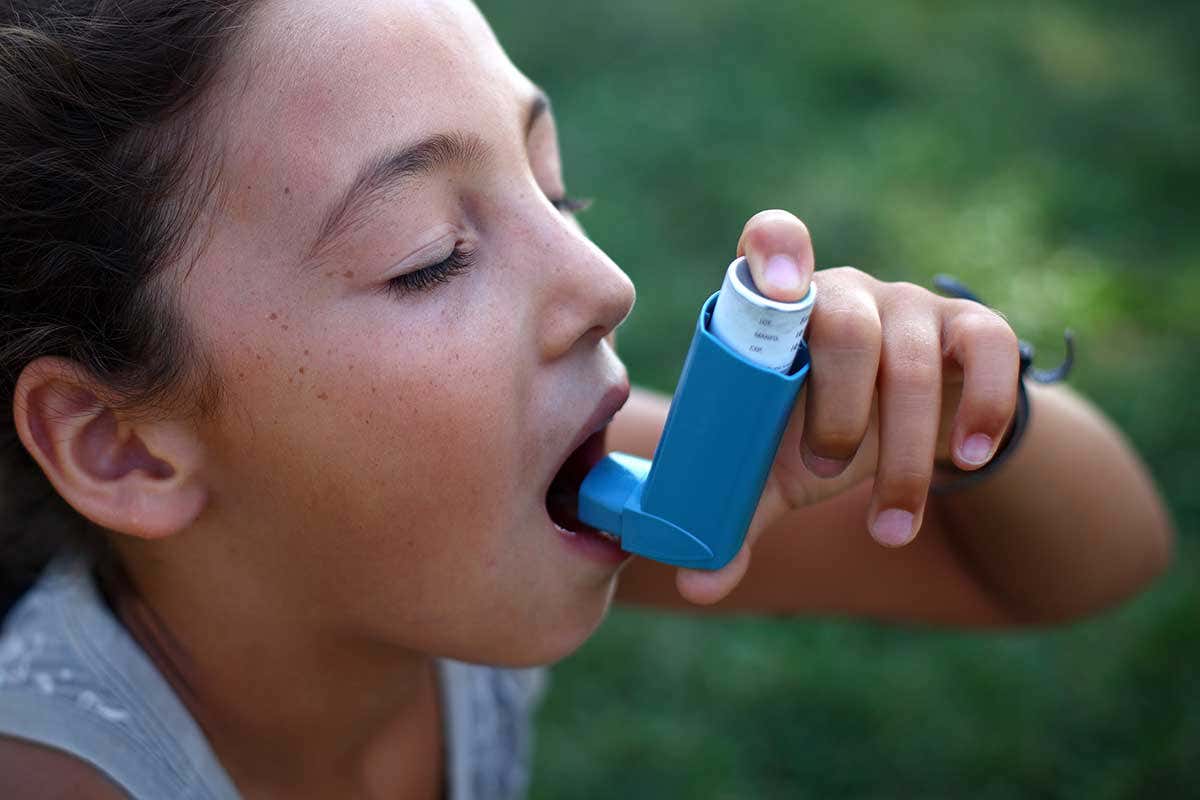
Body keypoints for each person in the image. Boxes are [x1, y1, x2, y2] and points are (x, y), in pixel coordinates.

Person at [0, 1, 1174, 798]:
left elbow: (1095, 560)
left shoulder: (493, 521)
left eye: (553, 186)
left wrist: (970, 400)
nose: (605, 285)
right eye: (430, 255)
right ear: (121, 446)